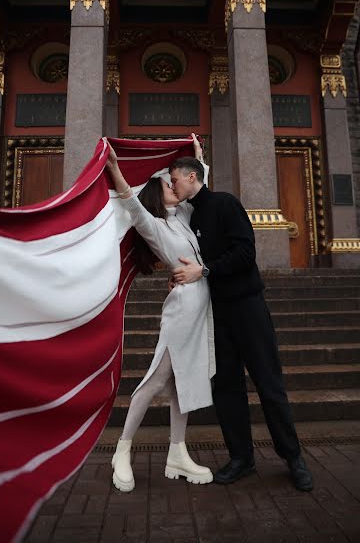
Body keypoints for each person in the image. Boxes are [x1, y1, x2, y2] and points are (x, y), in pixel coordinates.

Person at [168, 154, 314, 492]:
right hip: (215, 313)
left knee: (269, 384)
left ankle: (294, 458)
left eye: (175, 179)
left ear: (192, 177)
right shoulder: (188, 217)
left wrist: (203, 270)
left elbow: (246, 252)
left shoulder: (225, 204)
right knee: (227, 388)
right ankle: (241, 458)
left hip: (248, 308)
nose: (172, 186)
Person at [106, 137, 215, 493]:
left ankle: (177, 452)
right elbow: (131, 204)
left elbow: (200, 187)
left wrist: (199, 160)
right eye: (169, 184)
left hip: (201, 307)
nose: (174, 186)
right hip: (182, 310)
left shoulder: (181, 216)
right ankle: (121, 449)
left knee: (183, 383)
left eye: (175, 181)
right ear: (157, 192)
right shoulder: (152, 224)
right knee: (156, 380)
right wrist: (114, 168)